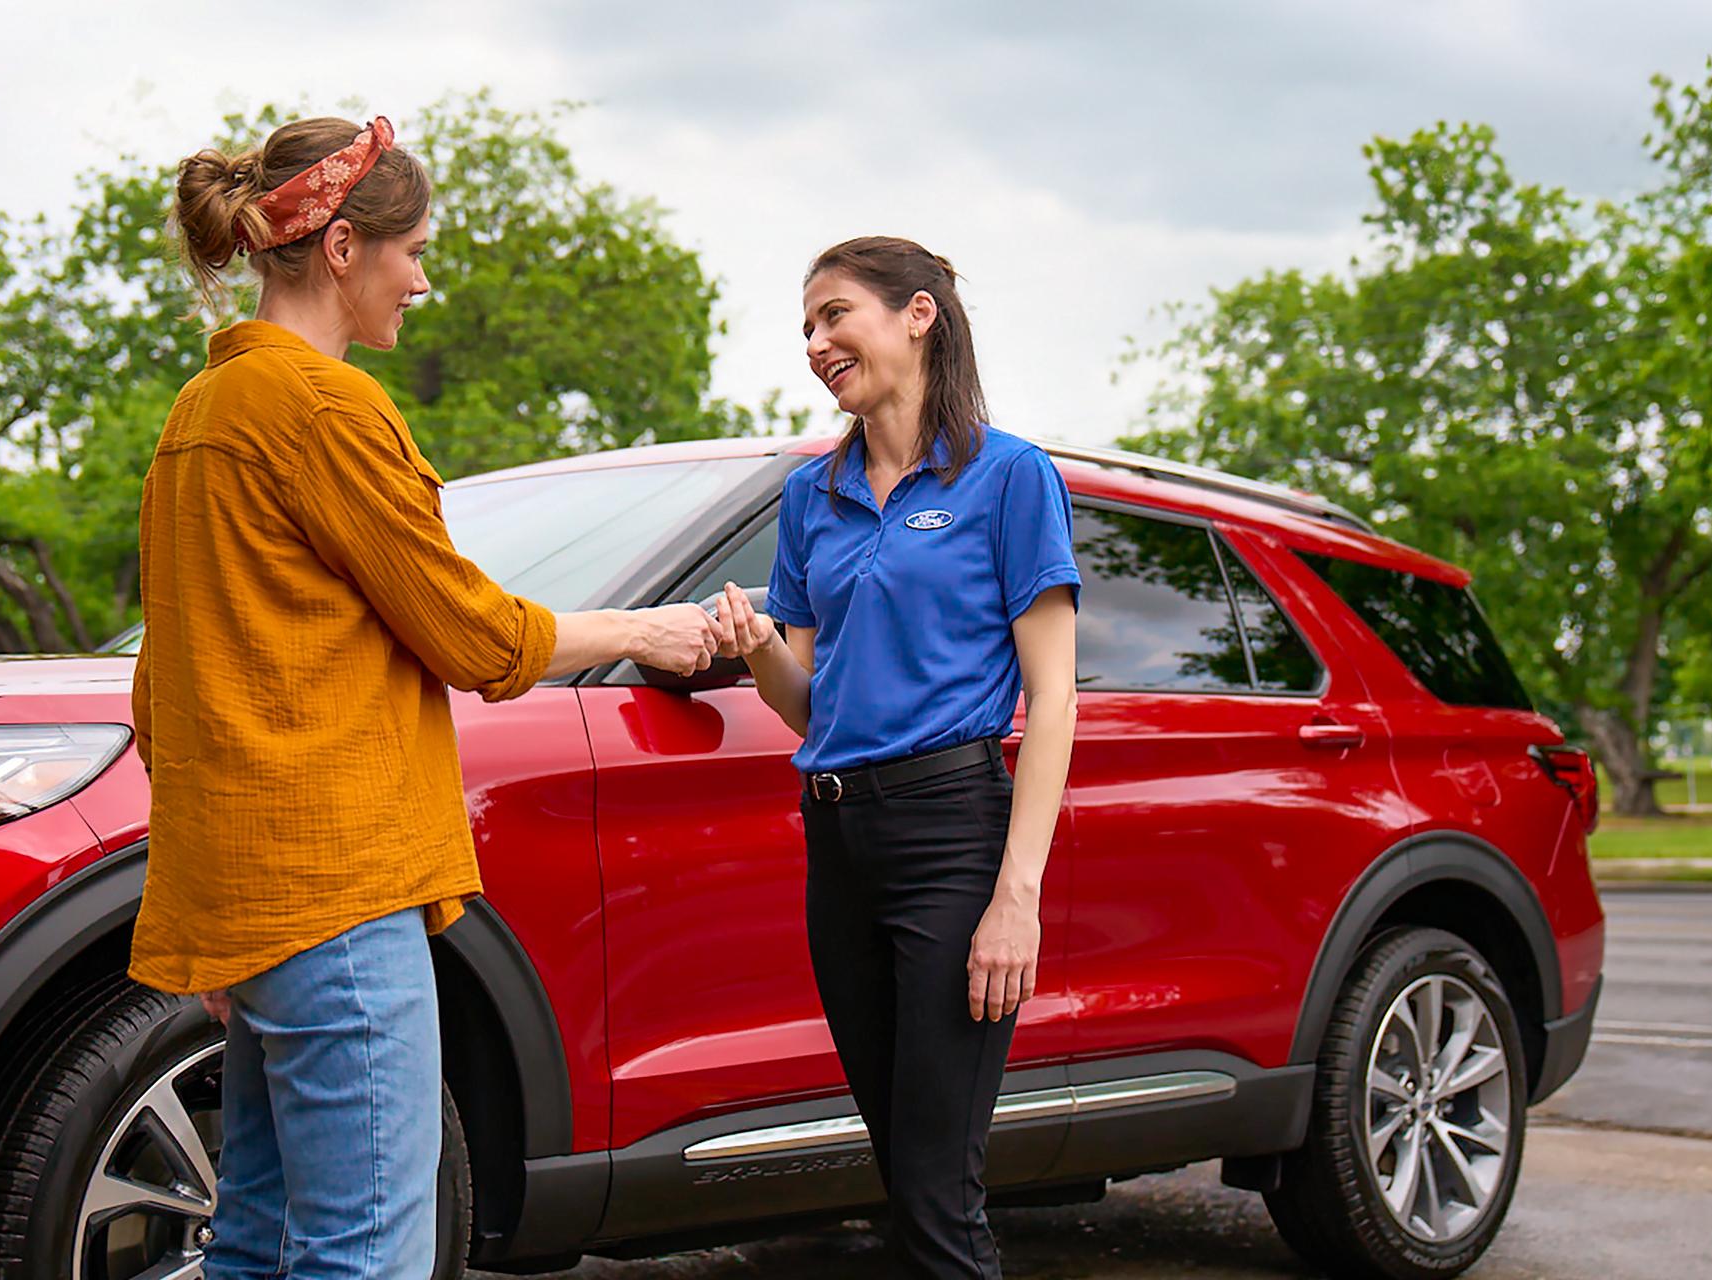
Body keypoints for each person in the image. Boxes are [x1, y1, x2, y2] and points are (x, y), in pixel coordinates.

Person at [129, 115, 717, 1280]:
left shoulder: (197, 420)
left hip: (257, 900)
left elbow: (164, 700)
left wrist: (232, 932)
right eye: (413, 250)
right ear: (342, 246)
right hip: (341, 892)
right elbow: (471, 632)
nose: (424, 277)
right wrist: (648, 628)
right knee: (368, 1256)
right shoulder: (325, 409)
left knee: (252, 1240)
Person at [712, 236, 1081, 1278]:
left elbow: (1052, 696)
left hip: (950, 837)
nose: (819, 342)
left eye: (836, 315)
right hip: (838, 840)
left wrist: (1018, 894)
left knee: (935, 1190)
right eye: (807, 328)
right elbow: (808, 701)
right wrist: (751, 647)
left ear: (918, 314)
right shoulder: (810, 493)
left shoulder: (1008, 476)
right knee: (901, 1165)